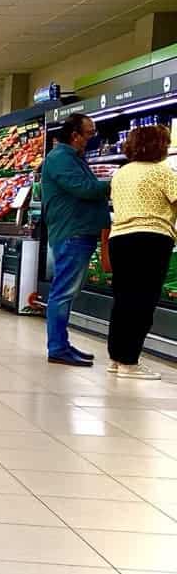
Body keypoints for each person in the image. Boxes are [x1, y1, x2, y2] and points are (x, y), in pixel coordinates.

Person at [105, 125, 177, 379]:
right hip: (151, 239)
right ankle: (130, 362)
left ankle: (116, 358)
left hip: (120, 239)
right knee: (143, 301)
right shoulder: (162, 171)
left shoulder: (121, 173)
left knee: (124, 299)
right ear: (159, 146)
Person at [42, 112, 110, 367]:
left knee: (66, 293)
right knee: (63, 293)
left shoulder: (73, 158)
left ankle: (62, 343)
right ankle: (57, 347)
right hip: (72, 233)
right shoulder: (61, 158)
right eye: (90, 133)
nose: (93, 138)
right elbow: (83, 188)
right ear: (75, 135)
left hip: (78, 232)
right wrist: (115, 184)